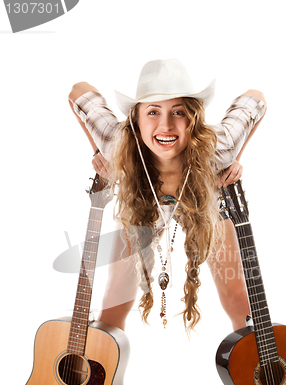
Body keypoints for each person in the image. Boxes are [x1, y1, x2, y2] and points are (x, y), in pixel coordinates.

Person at [68, 59, 266, 334]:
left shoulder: (219, 148)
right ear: (135, 120)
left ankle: (252, 368)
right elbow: (78, 90)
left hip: (203, 199)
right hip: (143, 202)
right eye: (152, 112)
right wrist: (99, 155)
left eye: (178, 112)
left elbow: (256, 99)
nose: (166, 125)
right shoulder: (118, 144)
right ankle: (103, 370)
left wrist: (233, 162)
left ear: (193, 118)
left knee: (236, 298)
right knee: (115, 300)